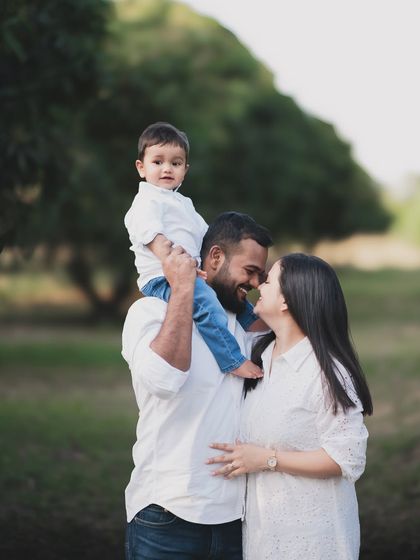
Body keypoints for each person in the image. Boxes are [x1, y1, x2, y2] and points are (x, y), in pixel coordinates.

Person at [122, 212, 272, 560]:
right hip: (166, 516)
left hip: (237, 520)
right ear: (216, 257)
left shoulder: (243, 325)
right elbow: (164, 379)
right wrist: (184, 289)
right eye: (249, 271)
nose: (254, 282)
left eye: (260, 275)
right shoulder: (151, 312)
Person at [207, 253, 373, 560]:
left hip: (314, 539)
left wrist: (267, 459)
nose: (259, 284)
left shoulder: (326, 372)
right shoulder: (259, 356)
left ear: (287, 300)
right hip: (262, 536)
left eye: (268, 280)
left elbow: (346, 458)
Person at [124, 122, 262, 379]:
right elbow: (156, 240)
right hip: (164, 276)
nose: (167, 168)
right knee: (208, 306)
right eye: (158, 162)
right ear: (141, 168)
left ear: (184, 170)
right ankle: (232, 360)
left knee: (234, 297)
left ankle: (262, 331)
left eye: (175, 163)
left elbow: (206, 236)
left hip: (191, 271)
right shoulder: (146, 202)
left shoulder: (182, 203)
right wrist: (180, 268)